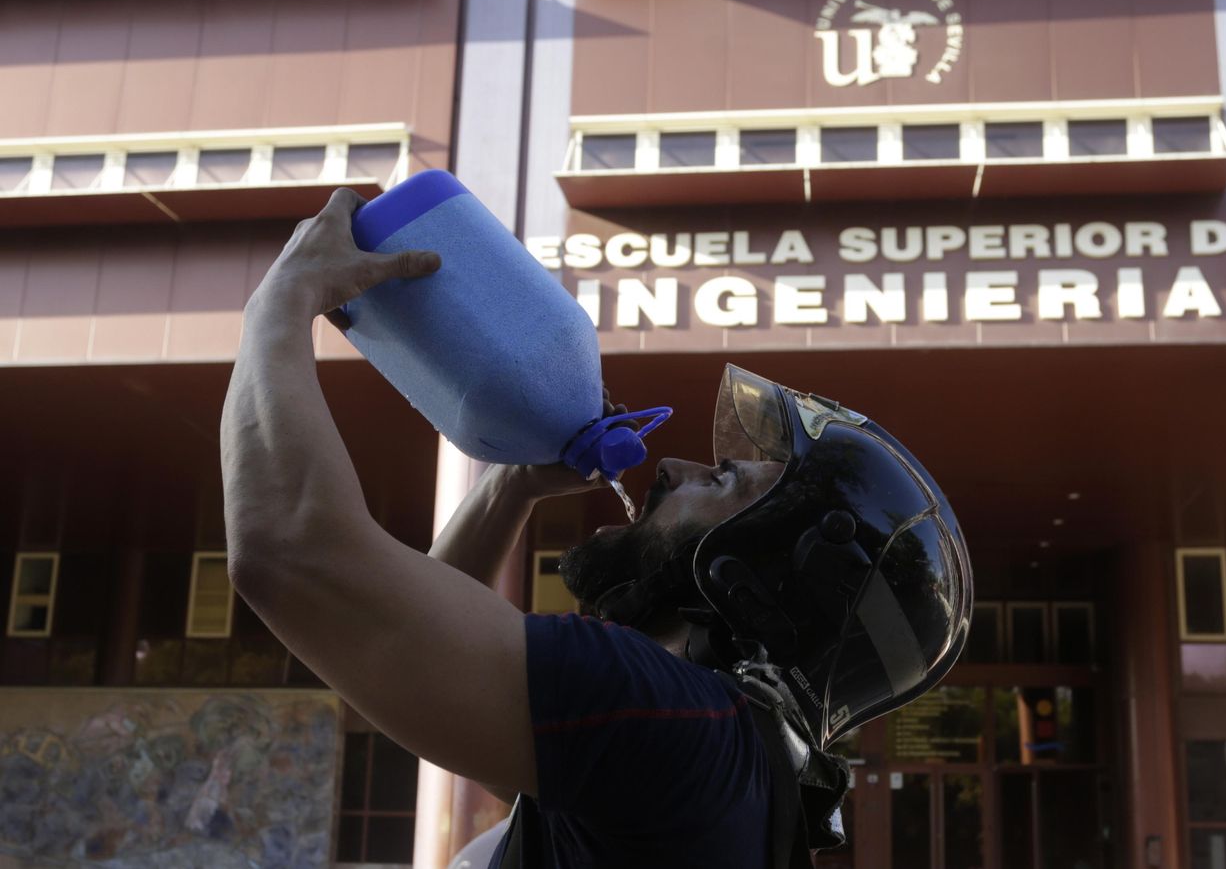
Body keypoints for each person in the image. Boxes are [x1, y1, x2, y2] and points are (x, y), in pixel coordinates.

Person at [220, 190, 973, 868]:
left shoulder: (661, 718)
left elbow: (290, 550)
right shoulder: (724, 761)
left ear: (756, 571)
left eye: (724, 481)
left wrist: (282, 302)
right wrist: (513, 485)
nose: (673, 467)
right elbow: (406, 655)